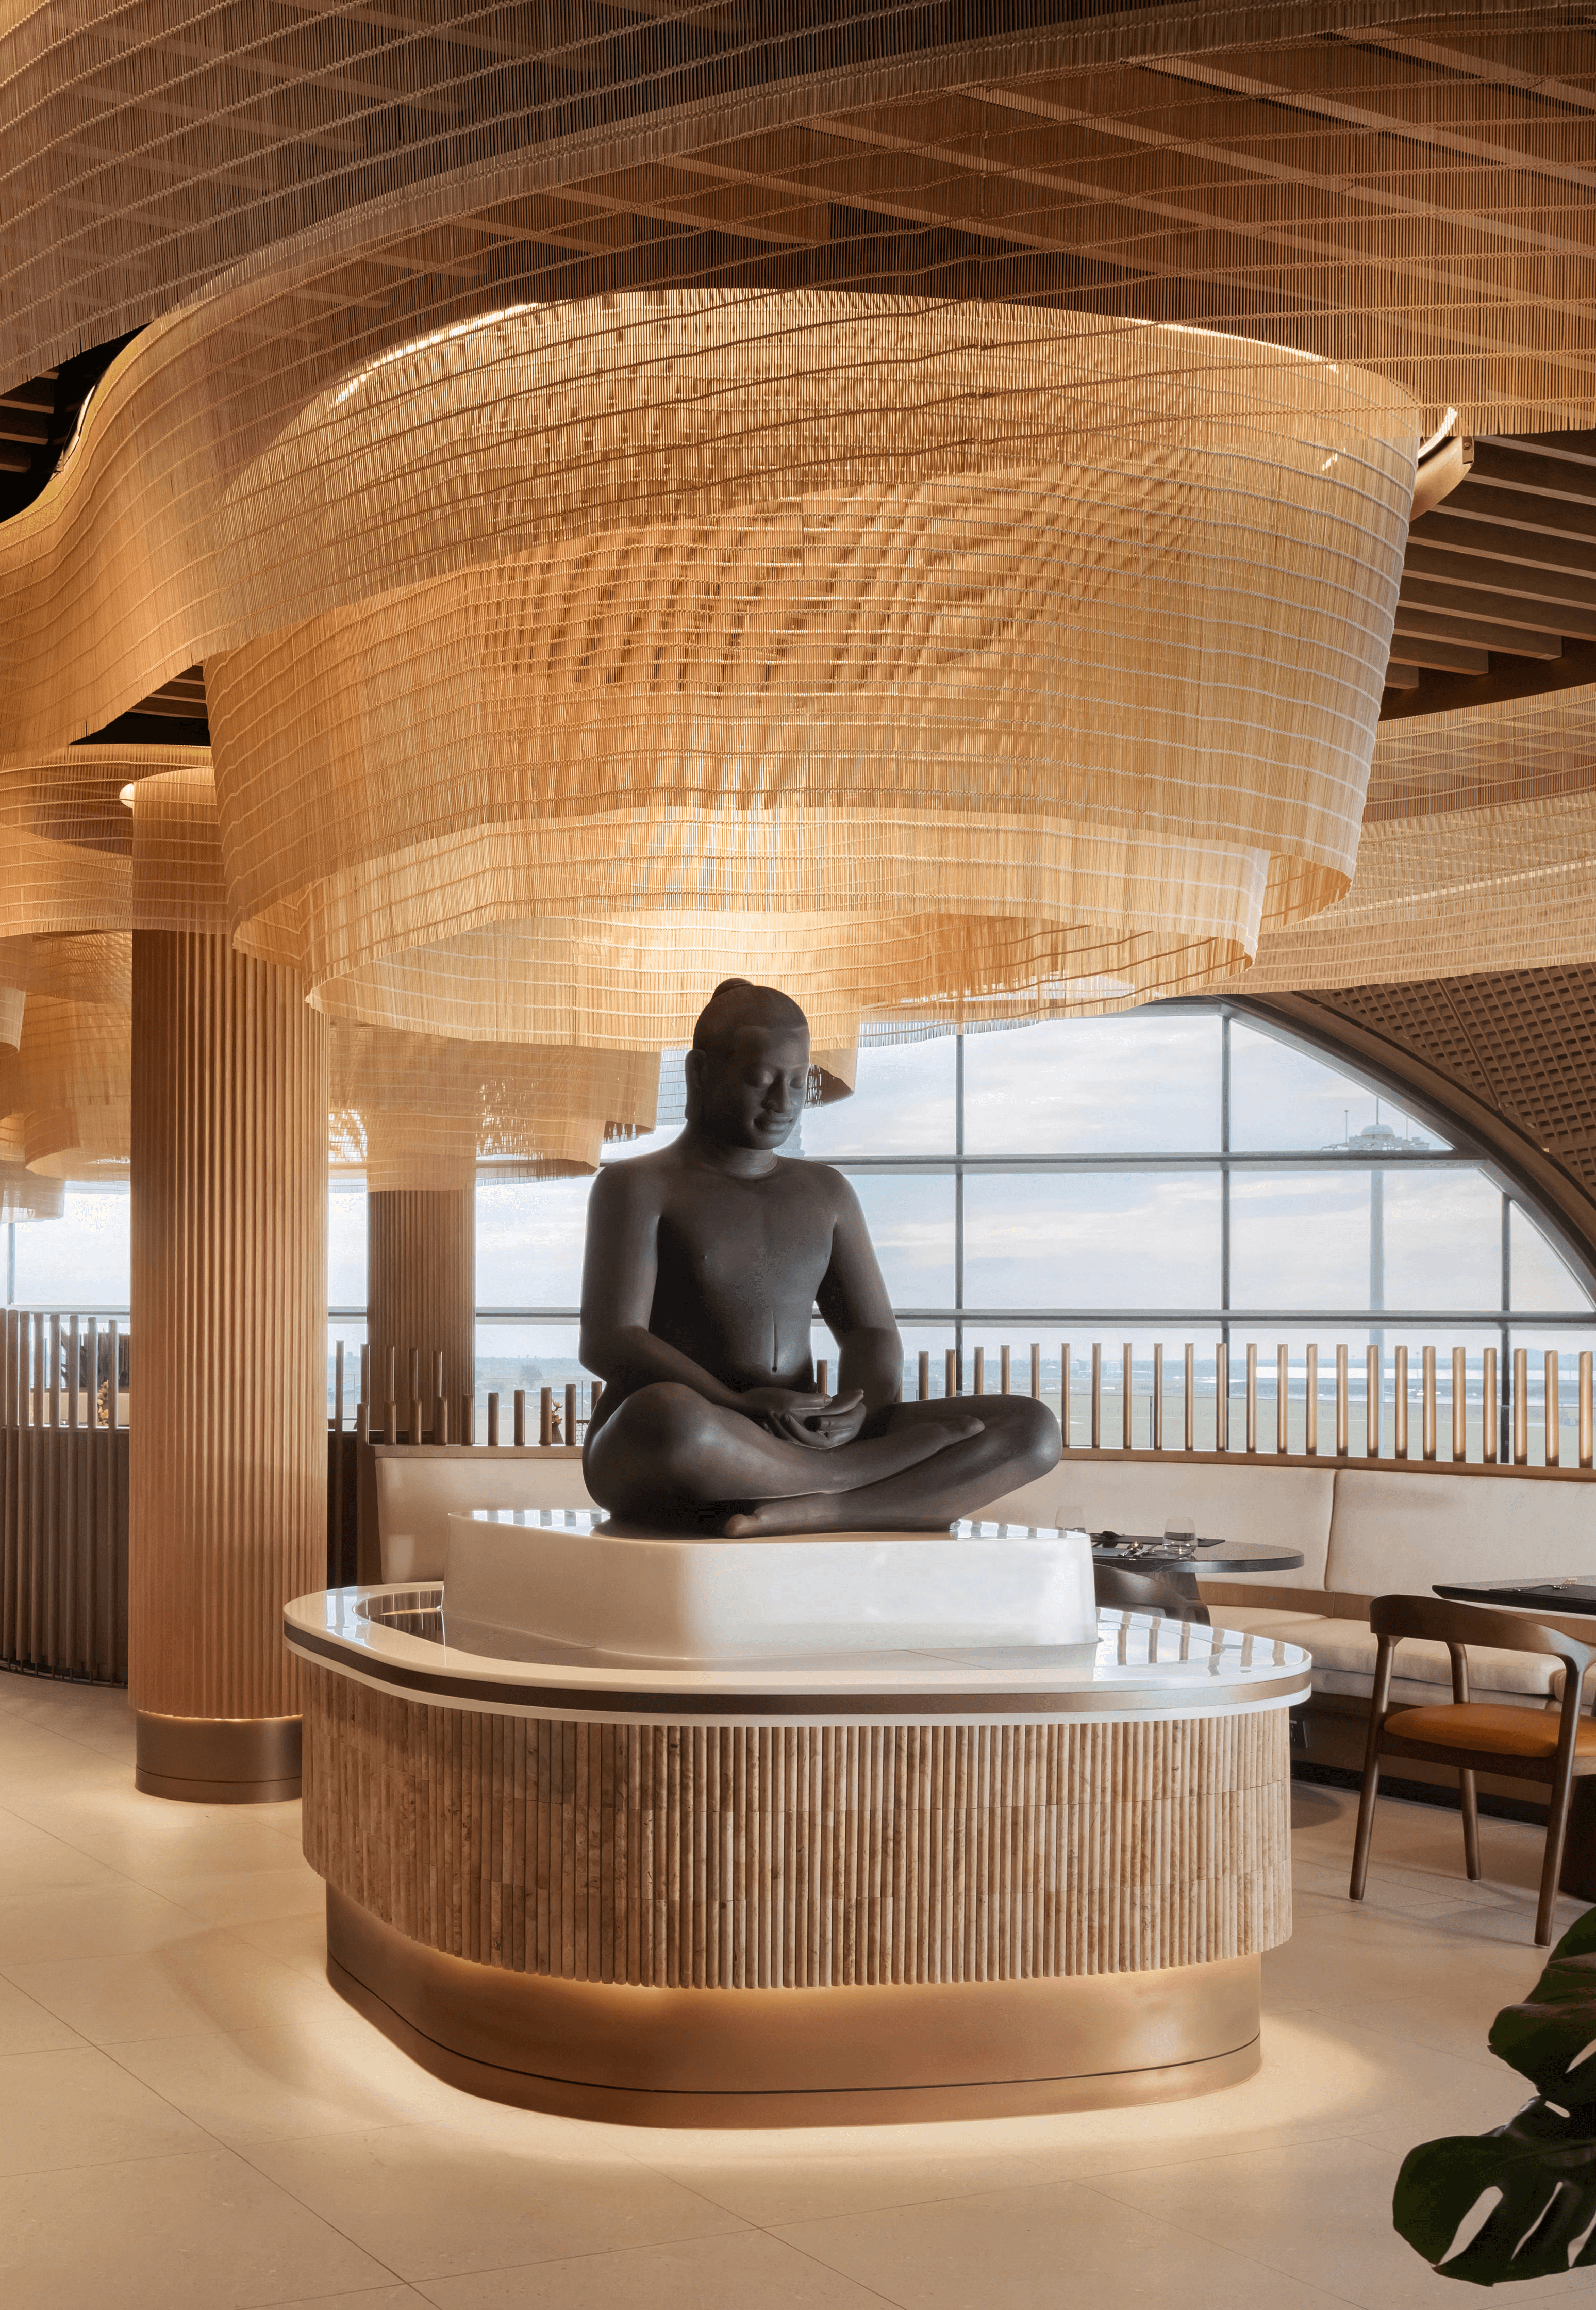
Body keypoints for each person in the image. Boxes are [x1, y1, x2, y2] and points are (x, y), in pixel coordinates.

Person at [579, 979, 1059, 1534]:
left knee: (1031, 1429)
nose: (783, 1102)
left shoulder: (827, 1192)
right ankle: (848, 1478)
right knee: (667, 1417)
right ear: (699, 1073)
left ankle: (816, 1506)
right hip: (698, 1437)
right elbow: (611, 1339)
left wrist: (857, 1413)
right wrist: (739, 1402)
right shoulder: (637, 1185)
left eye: (797, 1080)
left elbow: (870, 1333)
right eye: (761, 1079)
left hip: (801, 1431)